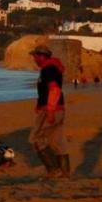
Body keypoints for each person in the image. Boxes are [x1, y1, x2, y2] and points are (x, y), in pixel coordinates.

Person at [28, 45, 69, 179]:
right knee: (57, 141)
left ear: (41, 56)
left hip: (51, 109)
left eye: (35, 56)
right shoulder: (53, 68)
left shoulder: (49, 69)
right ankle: (64, 173)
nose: (34, 59)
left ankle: (54, 170)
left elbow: (54, 89)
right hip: (57, 108)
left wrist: (50, 110)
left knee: (35, 139)